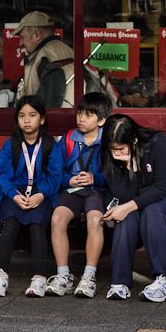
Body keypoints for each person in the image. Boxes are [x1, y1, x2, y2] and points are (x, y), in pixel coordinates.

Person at [100, 114, 166, 302]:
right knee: (126, 216)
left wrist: (129, 204)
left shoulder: (158, 142)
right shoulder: (109, 154)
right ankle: (120, 282)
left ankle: (165, 281)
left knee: (152, 212)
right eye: (112, 150)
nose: (115, 154)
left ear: (133, 140)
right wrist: (128, 167)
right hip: (136, 196)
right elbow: (121, 193)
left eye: (120, 149)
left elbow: (161, 187)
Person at [0, 95, 63, 298]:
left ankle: (39, 278)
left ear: (42, 119)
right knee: (10, 223)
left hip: (41, 194)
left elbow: (56, 177)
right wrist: (13, 195)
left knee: (37, 225)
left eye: (32, 115)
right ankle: (1, 275)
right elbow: (1, 175)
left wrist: (41, 194)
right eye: (22, 116)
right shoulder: (10, 145)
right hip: (14, 194)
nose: (27, 120)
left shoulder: (50, 145)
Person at [46, 91, 111, 298]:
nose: (81, 119)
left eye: (88, 115)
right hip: (72, 190)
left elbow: (115, 175)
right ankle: (63, 275)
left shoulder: (108, 140)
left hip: (97, 191)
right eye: (80, 113)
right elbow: (55, 171)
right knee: (57, 218)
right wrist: (68, 180)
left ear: (101, 120)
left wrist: (96, 178)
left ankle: (88, 276)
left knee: (95, 220)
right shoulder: (68, 138)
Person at [13, 10, 76, 108]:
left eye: (22, 37)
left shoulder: (44, 58)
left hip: (54, 121)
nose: (21, 43)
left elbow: (48, 105)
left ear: (36, 35)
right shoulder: (69, 51)